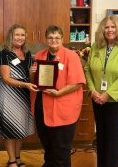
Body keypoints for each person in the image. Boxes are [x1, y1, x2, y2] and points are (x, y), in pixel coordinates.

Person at [84, 15, 118, 167]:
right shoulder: (96, 46)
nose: (110, 30)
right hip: (97, 97)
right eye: (106, 27)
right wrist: (92, 91)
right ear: (102, 29)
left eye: (113, 27)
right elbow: (88, 69)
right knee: (101, 133)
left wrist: (108, 94)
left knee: (112, 135)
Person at [31, 25, 86, 167]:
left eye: (57, 37)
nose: (53, 40)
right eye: (50, 37)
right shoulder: (39, 55)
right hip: (42, 107)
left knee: (61, 148)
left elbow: (78, 82)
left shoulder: (71, 56)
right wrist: (32, 72)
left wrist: (59, 92)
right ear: (46, 39)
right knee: (47, 145)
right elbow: (35, 80)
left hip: (63, 108)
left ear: (62, 39)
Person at [0, 24, 37, 167]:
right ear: (11, 37)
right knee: (9, 128)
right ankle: (11, 160)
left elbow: (30, 78)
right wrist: (25, 84)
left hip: (24, 96)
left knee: (21, 128)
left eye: (22, 35)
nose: (20, 38)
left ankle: (18, 158)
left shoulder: (28, 54)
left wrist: (33, 73)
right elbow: (6, 78)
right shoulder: (4, 53)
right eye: (17, 35)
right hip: (8, 96)